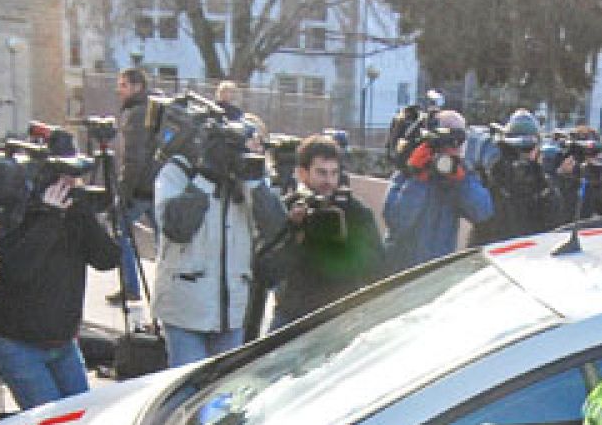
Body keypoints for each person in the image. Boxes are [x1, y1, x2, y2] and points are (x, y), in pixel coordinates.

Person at [0, 131, 120, 409]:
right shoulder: (20, 209)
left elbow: (107, 259)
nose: (67, 182)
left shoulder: (75, 210)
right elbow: (16, 270)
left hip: (62, 342)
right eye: (60, 175)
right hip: (15, 341)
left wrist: (84, 213)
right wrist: (48, 217)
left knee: (81, 418)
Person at [151, 117, 287, 365]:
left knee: (220, 397)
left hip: (232, 311)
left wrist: (254, 181)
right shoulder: (178, 171)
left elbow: (275, 227)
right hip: (185, 311)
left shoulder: (250, 177)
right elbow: (176, 227)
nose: (253, 149)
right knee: (190, 393)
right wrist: (205, 176)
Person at [269, 133, 384, 332]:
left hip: (339, 316)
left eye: (334, 173)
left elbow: (378, 269)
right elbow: (269, 271)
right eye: (321, 173)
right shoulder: (288, 208)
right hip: (294, 315)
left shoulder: (355, 212)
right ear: (302, 173)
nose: (329, 181)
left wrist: (347, 245)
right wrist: (295, 230)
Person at [382, 108, 493, 271]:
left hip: (437, 273)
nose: (452, 149)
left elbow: (483, 212)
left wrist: (461, 181)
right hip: (401, 272)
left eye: (458, 144)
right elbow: (397, 222)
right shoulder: (407, 172)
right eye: (448, 143)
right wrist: (418, 178)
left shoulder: (460, 175)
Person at [473, 110, 563, 244]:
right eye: (515, 148)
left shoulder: (542, 184)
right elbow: (482, 220)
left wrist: (543, 182)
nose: (523, 155)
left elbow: (555, 222)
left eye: (528, 147)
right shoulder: (494, 178)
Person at [113, 67, 156, 305]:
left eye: (124, 85)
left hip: (140, 189)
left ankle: (131, 286)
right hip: (158, 185)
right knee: (166, 244)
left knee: (120, 231)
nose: (119, 90)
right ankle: (164, 292)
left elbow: (133, 158)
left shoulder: (136, 114)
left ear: (137, 87)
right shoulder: (154, 109)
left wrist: (124, 191)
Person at [553, 124, 602, 222]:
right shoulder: (556, 181)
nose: (590, 157)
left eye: (594, 152)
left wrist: (597, 181)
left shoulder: (599, 178)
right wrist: (564, 176)